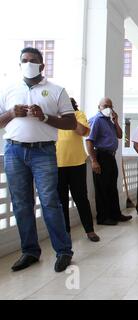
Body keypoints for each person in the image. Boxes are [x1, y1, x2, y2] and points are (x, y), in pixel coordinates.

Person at [0, 47, 76, 272]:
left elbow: (70, 123)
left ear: (42, 66)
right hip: (14, 152)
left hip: (43, 152)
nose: (28, 63)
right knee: (21, 203)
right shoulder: (8, 89)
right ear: (19, 63)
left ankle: (63, 251)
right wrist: (12, 113)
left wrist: (44, 116)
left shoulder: (56, 90)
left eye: (33, 60)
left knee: (50, 201)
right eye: (24, 60)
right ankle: (30, 251)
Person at [57, 98, 100, 242]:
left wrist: (68, 118)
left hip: (77, 164)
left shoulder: (79, 114)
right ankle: (66, 233)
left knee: (81, 198)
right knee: (61, 201)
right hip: (56, 165)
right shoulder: (53, 118)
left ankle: (90, 230)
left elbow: (82, 131)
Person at [86, 98, 132, 226]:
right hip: (101, 156)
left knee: (112, 187)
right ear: (99, 107)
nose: (109, 108)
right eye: (105, 106)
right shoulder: (97, 120)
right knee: (102, 188)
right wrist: (94, 161)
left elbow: (120, 135)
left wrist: (116, 121)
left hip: (111, 157)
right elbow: (89, 141)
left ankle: (115, 214)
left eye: (111, 106)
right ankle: (103, 217)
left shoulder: (109, 121)